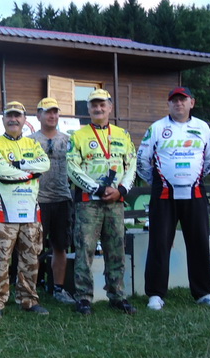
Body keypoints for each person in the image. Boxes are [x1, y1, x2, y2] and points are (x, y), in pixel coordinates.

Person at [137, 87, 210, 310]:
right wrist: (161, 181)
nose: (178, 104)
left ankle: (204, 293)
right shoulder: (157, 128)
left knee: (199, 241)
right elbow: (142, 161)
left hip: (195, 191)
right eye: (174, 100)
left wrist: (192, 179)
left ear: (191, 103)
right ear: (168, 104)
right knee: (159, 242)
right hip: (164, 193)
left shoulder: (202, 127)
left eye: (183, 100)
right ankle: (155, 294)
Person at [66, 89, 137, 315]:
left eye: (102, 104)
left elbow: (131, 165)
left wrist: (121, 190)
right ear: (88, 109)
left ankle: (117, 296)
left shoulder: (123, 135)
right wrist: (96, 188)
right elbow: (72, 168)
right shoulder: (78, 136)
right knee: (84, 250)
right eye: (94, 105)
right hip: (88, 202)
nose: (98, 108)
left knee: (116, 249)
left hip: (116, 202)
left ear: (110, 107)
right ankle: (83, 298)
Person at [0, 101, 50, 318]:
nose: (13, 119)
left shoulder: (33, 144)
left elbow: (45, 164)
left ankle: (28, 299)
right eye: (9, 116)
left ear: (24, 120)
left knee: (30, 258)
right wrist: (30, 172)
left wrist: (18, 166)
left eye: (17, 116)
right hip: (3, 214)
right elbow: (2, 171)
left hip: (30, 213)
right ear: (3, 119)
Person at [28, 97, 76, 305]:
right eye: (48, 112)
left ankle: (58, 288)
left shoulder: (68, 140)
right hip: (37, 200)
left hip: (62, 198)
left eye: (55, 112)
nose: (52, 115)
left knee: (60, 246)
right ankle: (30, 289)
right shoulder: (29, 141)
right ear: (38, 115)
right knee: (33, 247)